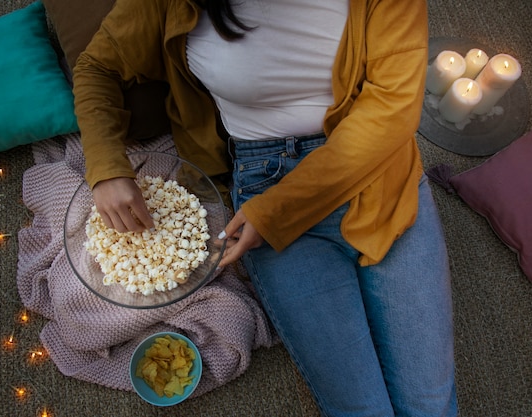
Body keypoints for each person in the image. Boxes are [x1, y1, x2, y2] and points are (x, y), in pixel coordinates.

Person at [73, 0, 459, 415]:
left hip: (381, 171)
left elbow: (394, 107)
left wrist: (276, 211)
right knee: (363, 410)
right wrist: (108, 166)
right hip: (266, 174)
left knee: (430, 406)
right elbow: (97, 66)